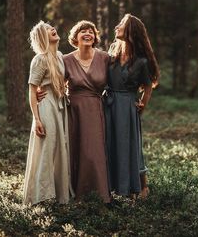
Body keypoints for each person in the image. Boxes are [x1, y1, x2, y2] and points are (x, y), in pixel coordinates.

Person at [104, 14, 160, 199]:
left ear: (131, 30)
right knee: (109, 144)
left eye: (121, 24)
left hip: (127, 106)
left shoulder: (141, 61)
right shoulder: (112, 53)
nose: (117, 26)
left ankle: (138, 188)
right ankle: (111, 187)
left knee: (128, 146)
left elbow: (148, 87)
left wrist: (141, 105)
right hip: (108, 104)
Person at [23, 21, 73, 205]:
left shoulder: (59, 55)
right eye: (48, 29)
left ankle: (59, 195)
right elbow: (31, 89)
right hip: (46, 107)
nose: (53, 29)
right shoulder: (39, 59)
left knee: (60, 148)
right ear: (42, 36)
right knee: (46, 148)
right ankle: (40, 197)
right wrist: (36, 119)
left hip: (59, 105)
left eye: (52, 27)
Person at [63, 20, 110, 203]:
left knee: (94, 151)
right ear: (75, 37)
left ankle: (101, 195)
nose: (88, 33)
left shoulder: (105, 57)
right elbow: (56, 83)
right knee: (76, 150)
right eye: (83, 31)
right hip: (74, 109)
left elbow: (119, 78)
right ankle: (77, 194)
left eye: (91, 31)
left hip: (96, 108)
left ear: (95, 36)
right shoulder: (66, 59)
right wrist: (40, 91)